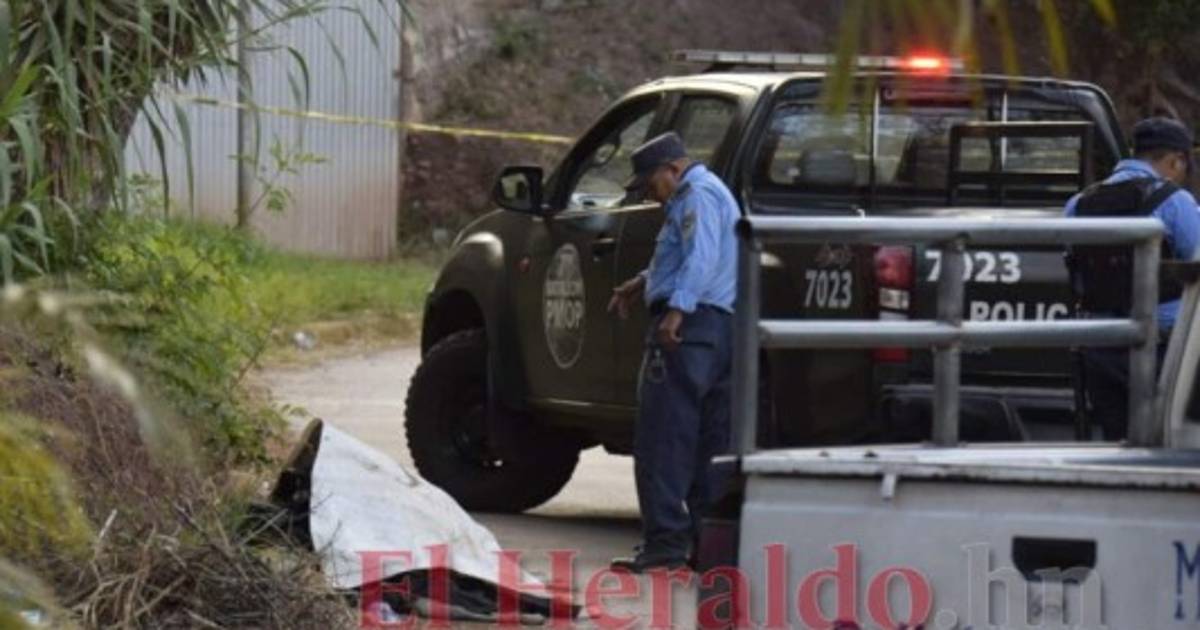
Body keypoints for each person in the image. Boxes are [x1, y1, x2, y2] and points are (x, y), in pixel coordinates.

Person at [606, 132, 739, 572]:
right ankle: (707, 546)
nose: (650, 194)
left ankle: (664, 544)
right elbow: (686, 257)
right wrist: (641, 282)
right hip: (717, 328)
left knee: (662, 437)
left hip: (692, 326)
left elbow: (700, 258)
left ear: (673, 169)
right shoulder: (707, 193)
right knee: (707, 442)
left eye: (651, 183)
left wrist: (677, 311)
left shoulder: (696, 195)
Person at [1066, 116, 1200, 440]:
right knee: (1167, 443)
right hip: (1164, 349)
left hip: (1100, 347)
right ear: (1176, 160)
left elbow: (1075, 267)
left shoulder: (1078, 203)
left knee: (1117, 442)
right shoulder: (1175, 202)